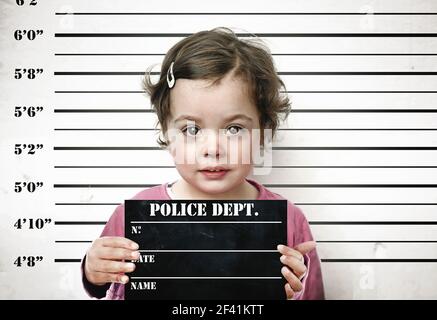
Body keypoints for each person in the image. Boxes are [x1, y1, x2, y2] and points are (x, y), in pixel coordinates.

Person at [81, 27, 325, 300]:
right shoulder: (133, 216)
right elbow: (104, 284)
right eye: (191, 130)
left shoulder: (289, 220)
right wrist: (93, 269)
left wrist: (296, 293)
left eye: (233, 129)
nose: (212, 150)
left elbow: (312, 294)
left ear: (263, 130)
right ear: (167, 134)